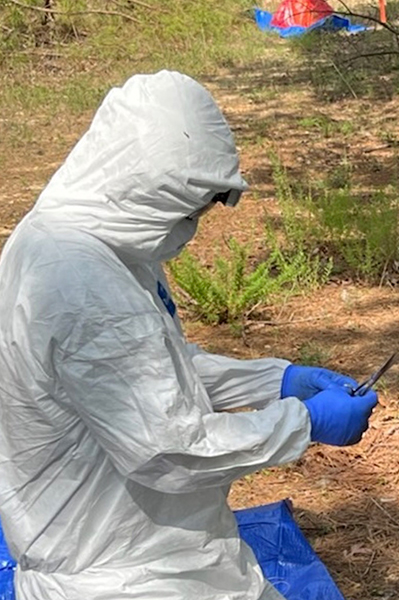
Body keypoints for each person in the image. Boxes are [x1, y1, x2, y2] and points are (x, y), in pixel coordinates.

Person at [0, 71, 379, 600]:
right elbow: (169, 452)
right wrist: (303, 422)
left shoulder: (97, 242)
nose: (194, 224)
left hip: (153, 547)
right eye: (192, 207)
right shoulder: (80, 282)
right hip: (125, 576)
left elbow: (153, 368)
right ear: (148, 186)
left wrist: (274, 380)